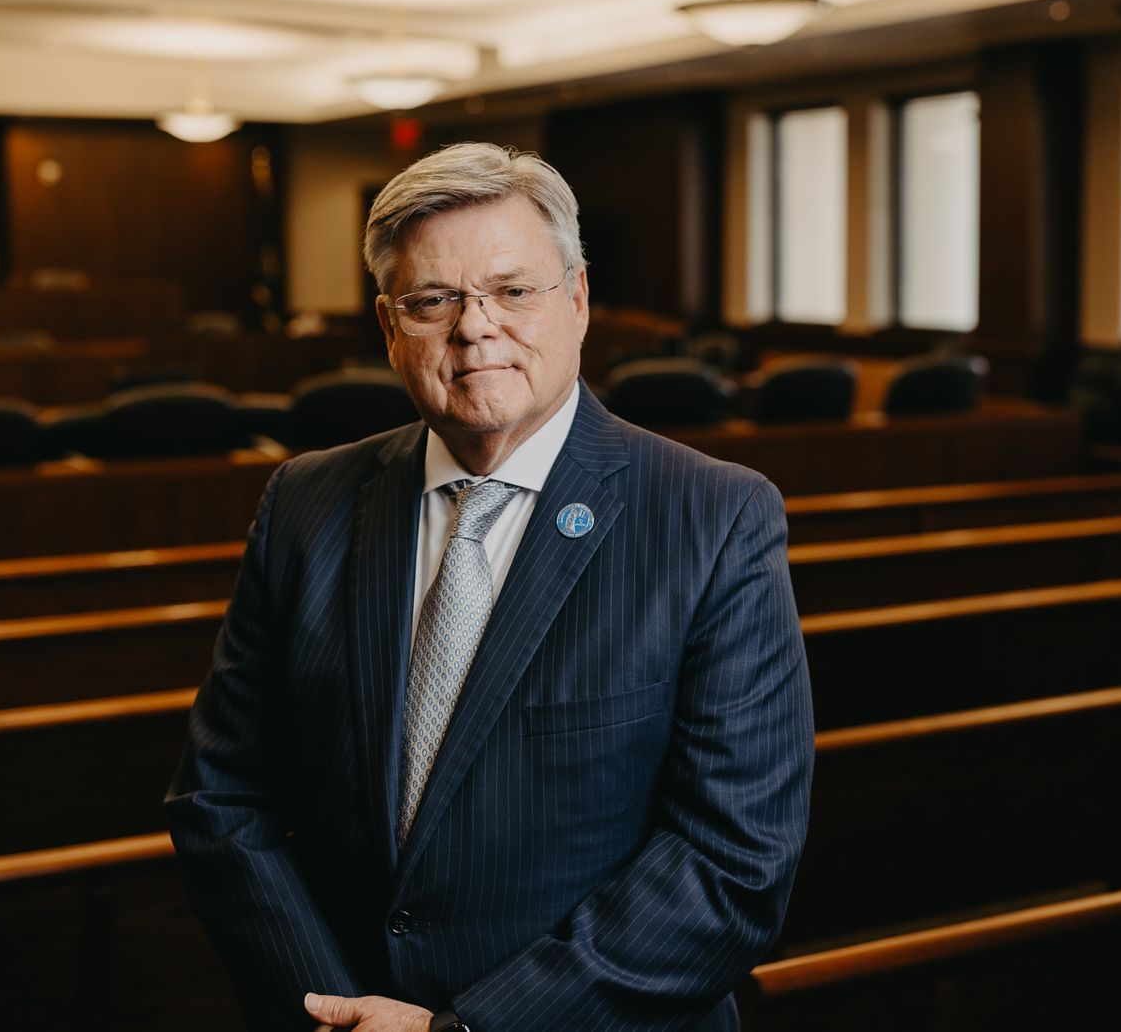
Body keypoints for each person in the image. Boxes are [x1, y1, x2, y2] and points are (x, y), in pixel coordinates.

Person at [166, 143, 812, 1032]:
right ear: (390, 327)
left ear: (578, 300)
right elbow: (220, 796)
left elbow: (732, 859)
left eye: (514, 291)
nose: (475, 328)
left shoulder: (713, 516)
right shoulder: (305, 502)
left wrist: (465, 1030)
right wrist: (328, 1010)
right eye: (433, 301)